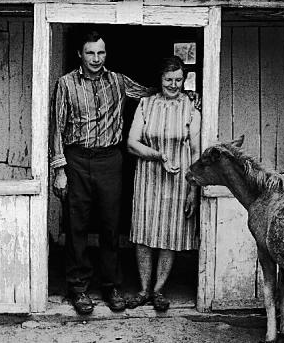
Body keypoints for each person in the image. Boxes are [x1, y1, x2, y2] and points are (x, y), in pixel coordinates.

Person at [49, 31, 199, 316]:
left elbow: (149, 91)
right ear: (80, 54)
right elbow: (57, 127)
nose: (96, 58)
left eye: (101, 53)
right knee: (77, 225)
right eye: (90, 53)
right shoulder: (66, 84)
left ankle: (111, 286)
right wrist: (59, 169)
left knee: (110, 225)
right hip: (77, 158)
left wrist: (185, 94)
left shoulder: (118, 81)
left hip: (109, 159)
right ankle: (78, 288)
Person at [126, 55, 201, 311]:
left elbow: (196, 152)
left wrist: (193, 189)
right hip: (148, 176)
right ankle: (143, 289)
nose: (174, 85)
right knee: (144, 233)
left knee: (170, 234)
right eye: (169, 79)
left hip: (178, 179)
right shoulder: (146, 104)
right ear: (160, 79)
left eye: (179, 80)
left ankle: (158, 290)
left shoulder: (191, 108)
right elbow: (132, 143)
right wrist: (159, 156)